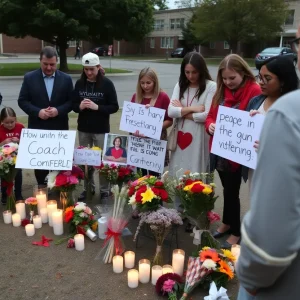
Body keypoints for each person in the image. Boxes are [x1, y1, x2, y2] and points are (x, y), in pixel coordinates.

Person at [236, 26, 300, 300]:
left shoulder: (288, 112)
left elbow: (272, 231)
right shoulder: (259, 102)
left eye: (298, 42)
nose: (261, 83)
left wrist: (251, 276)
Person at [205, 54, 261, 249]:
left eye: (232, 78)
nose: (228, 82)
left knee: (232, 191)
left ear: (243, 73)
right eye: (225, 78)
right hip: (220, 150)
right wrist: (210, 125)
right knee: (226, 189)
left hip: (238, 153)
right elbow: (211, 115)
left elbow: (257, 118)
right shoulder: (220, 91)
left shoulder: (254, 91)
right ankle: (227, 222)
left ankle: (236, 231)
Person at [18, 46, 73, 186]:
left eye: (52, 64)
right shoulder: (29, 78)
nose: (49, 68)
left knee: (58, 165)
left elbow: (72, 102)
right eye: (45, 64)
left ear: (57, 62)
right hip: (38, 129)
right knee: (41, 166)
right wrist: (38, 112)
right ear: (40, 61)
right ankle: (42, 190)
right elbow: (22, 101)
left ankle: (58, 191)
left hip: (59, 129)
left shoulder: (66, 79)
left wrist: (58, 110)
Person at [168, 52, 216, 211]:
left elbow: (207, 115)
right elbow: (170, 112)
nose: (190, 76)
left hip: (199, 137)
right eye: (187, 72)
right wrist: (192, 109)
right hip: (180, 137)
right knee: (178, 171)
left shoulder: (211, 86)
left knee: (196, 170)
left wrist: (181, 111)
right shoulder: (180, 85)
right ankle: (179, 209)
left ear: (201, 70)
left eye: (194, 72)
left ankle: (196, 210)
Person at [242, 55, 299, 186]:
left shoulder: (294, 107)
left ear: (283, 81)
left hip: (281, 176)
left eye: (267, 78)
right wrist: (250, 121)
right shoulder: (255, 102)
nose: (261, 82)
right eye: (260, 77)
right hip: (255, 170)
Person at [72, 52, 119, 200]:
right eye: (86, 69)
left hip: (100, 129)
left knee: (102, 162)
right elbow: (73, 105)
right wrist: (79, 106)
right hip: (84, 129)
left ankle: (104, 190)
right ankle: (88, 187)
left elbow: (114, 106)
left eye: (92, 69)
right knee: (85, 161)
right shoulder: (80, 83)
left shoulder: (107, 84)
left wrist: (96, 107)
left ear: (98, 67)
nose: (89, 72)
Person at [131, 67, 172, 177]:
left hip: (156, 142)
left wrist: (154, 127)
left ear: (155, 81)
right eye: (142, 83)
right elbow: (130, 120)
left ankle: (155, 194)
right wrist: (133, 131)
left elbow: (169, 120)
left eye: (148, 83)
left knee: (155, 176)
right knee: (141, 176)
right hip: (139, 142)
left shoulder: (163, 97)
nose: (145, 86)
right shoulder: (136, 97)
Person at [0, 107, 24, 204]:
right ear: (2, 121)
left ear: (15, 119)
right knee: (4, 177)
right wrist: (2, 143)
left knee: (18, 176)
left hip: (17, 158)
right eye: (7, 122)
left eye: (12, 122)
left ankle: (18, 194)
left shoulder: (20, 127)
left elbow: (28, 142)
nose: (10, 124)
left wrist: (19, 141)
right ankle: (5, 195)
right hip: (3, 159)